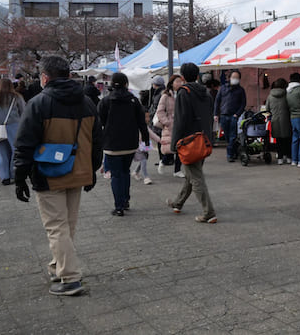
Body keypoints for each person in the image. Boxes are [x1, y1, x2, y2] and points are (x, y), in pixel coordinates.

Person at [13, 56, 103, 296]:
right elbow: (97, 141)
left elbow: (24, 144)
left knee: (56, 226)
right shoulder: (87, 102)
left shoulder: (38, 103)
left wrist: (19, 177)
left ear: (44, 77)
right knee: (67, 225)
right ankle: (58, 266)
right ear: (68, 75)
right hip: (79, 170)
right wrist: (93, 169)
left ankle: (70, 278)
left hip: (49, 172)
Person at [167, 62, 217, 223]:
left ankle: (209, 212)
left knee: (195, 177)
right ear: (197, 76)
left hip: (188, 142)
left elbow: (180, 121)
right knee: (192, 174)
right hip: (204, 139)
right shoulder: (206, 93)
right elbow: (210, 117)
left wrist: (174, 144)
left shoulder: (184, 93)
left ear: (182, 77)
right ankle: (178, 203)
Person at [98, 72, 149, 216]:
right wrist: (146, 140)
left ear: (111, 84)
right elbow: (141, 122)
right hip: (130, 143)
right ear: (126, 84)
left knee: (116, 175)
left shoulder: (105, 101)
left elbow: (100, 122)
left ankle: (119, 206)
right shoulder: (133, 100)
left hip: (111, 144)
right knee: (125, 171)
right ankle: (125, 200)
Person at [0, 78, 25, 186]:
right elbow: (23, 111)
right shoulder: (17, 97)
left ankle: (5, 176)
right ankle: (13, 173)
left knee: (2, 152)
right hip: (14, 126)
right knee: (15, 150)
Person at [214, 70, 247, 162]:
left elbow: (243, 103)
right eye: (233, 77)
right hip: (223, 115)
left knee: (232, 136)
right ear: (229, 78)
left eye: (237, 77)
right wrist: (216, 113)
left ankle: (230, 155)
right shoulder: (223, 88)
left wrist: (237, 114)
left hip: (234, 116)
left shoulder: (240, 90)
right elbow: (217, 101)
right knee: (227, 136)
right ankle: (234, 151)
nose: (235, 79)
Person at [156, 74, 185, 178]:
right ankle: (163, 162)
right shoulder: (166, 96)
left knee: (180, 148)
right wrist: (166, 122)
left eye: (181, 81)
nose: (179, 83)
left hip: (181, 124)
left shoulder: (183, 93)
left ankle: (177, 170)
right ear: (171, 83)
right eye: (177, 81)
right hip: (170, 125)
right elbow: (160, 111)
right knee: (169, 148)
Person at [265, 78, 292, 165]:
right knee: (287, 140)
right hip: (286, 120)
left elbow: (267, 109)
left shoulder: (270, 96)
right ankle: (288, 157)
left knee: (278, 140)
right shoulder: (287, 95)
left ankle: (280, 158)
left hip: (275, 120)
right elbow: (291, 106)